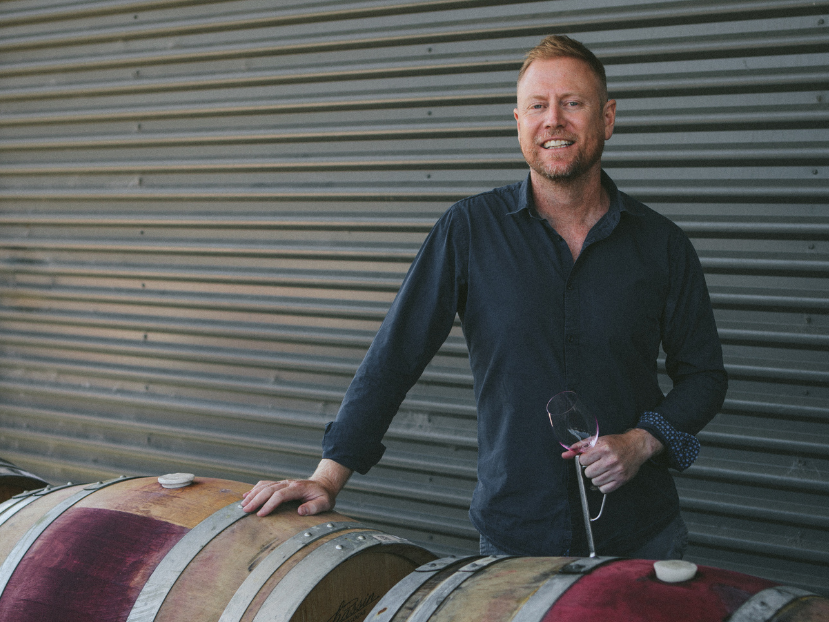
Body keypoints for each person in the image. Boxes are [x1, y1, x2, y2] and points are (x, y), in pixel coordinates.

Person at [242, 35, 726, 558]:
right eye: (538, 106)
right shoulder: (468, 230)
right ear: (518, 122)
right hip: (515, 539)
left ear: (607, 118)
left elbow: (705, 376)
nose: (554, 120)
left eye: (573, 103)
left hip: (641, 537)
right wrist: (328, 476)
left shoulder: (662, 245)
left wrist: (642, 441)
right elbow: (394, 356)